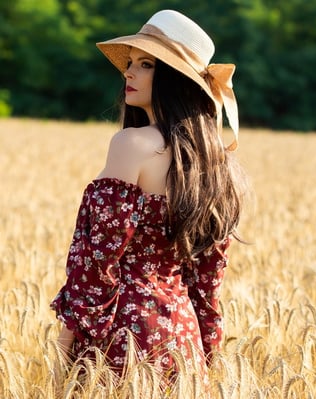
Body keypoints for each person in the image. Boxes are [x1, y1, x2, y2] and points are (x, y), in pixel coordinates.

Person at [50, 9, 244, 382]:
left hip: (125, 337)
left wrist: (65, 345)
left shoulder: (131, 144)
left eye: (146, 64)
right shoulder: (215, 163)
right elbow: (207, 278)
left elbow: (98, 261)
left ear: (175, 79)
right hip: (183, 341)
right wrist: (206, 350)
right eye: (131, 63)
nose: (128, 72)